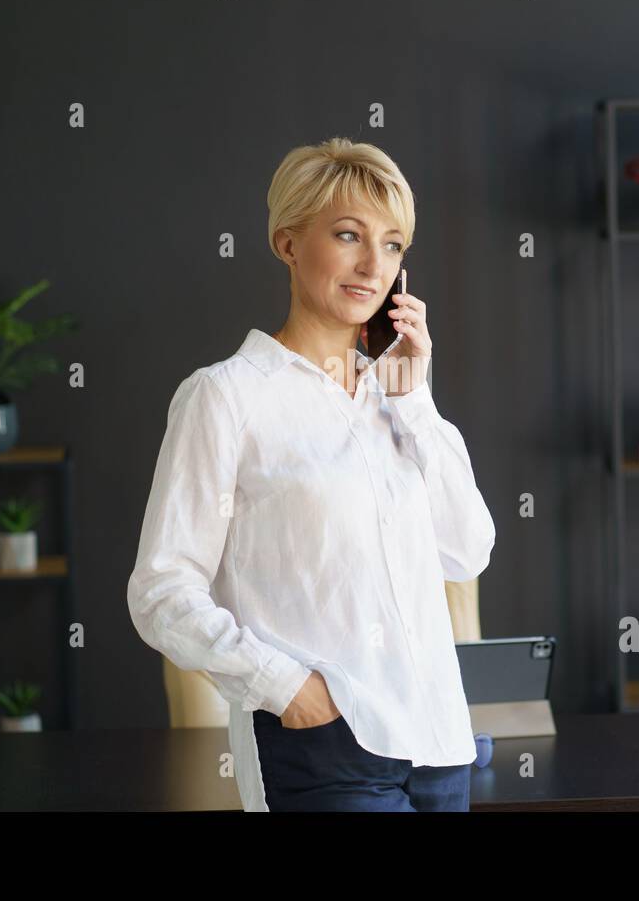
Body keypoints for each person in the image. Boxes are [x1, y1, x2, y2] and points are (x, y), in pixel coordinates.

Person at [126, 136, 496, 811]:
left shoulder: (399, 400)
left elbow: (468, 549)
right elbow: (160, 590)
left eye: (392, 245)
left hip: (441, 744)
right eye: (348, 235)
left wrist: (416, 401)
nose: (372, 265)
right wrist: (286, 688)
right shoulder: (226, 396)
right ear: (288, 243)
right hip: (323, 749)